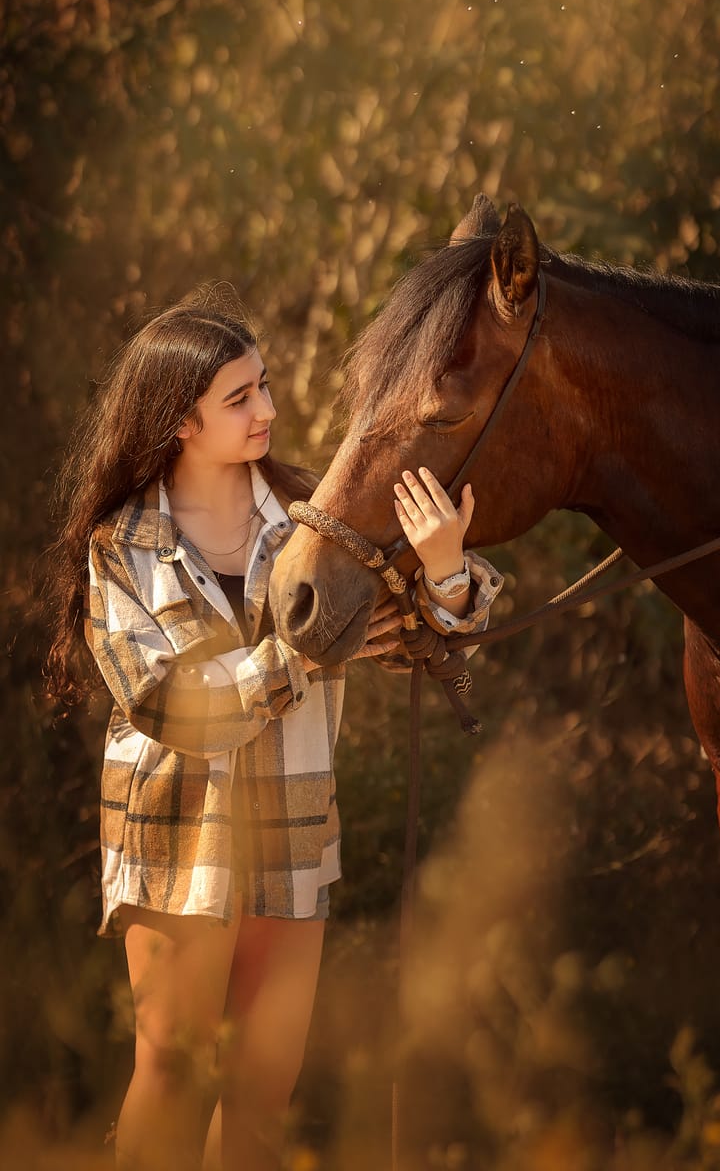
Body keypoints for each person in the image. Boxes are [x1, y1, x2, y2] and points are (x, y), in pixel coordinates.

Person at [45, 286, 503, 1171]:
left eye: (264, 386)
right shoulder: (122, 544)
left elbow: (436, 631)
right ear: (180, 421)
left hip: (295, 833)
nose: (270, 409)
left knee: (264, 1093)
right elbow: (163, 703)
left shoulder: (309, 518)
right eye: (241, 397)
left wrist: (445, 569)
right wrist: (307, 655)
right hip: (178, 842)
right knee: (173, 1078)